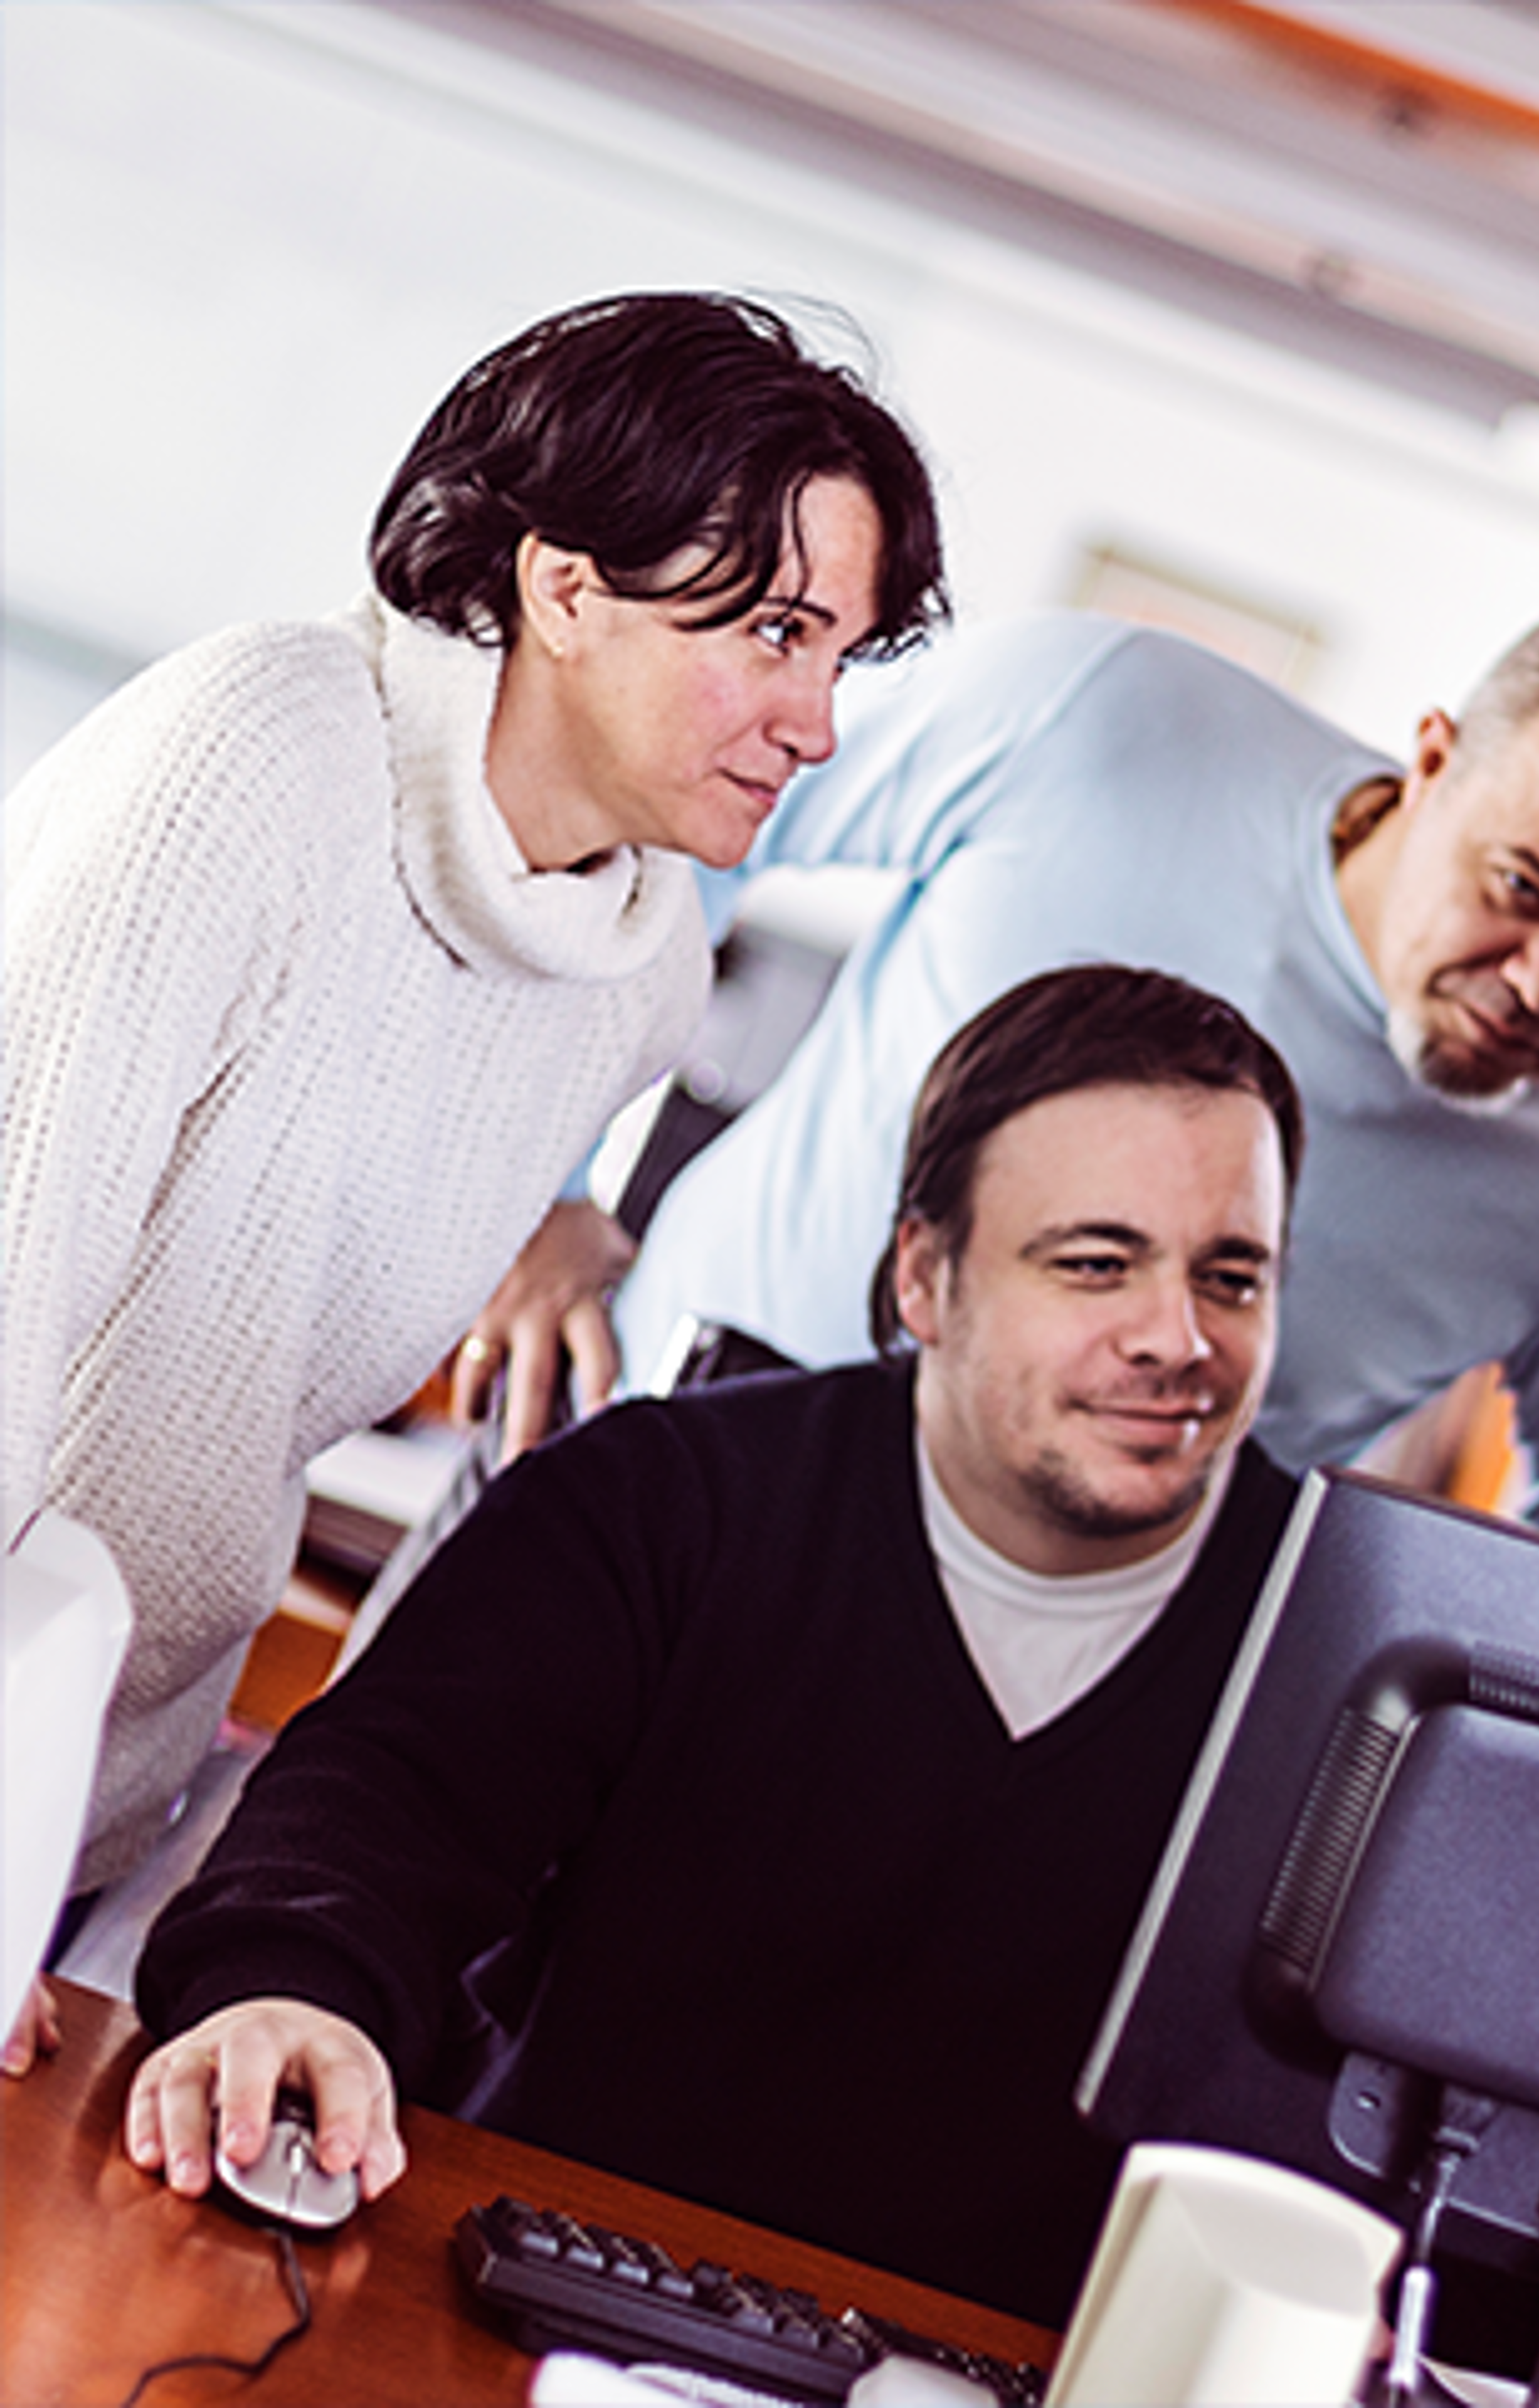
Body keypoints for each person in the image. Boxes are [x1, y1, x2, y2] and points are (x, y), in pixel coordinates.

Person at [1, 290, 948, 1997]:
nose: (816, 725)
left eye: (837, 655)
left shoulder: (640, 974)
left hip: (94, 1802)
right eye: (772, 633)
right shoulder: (260, 750)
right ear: (566, 586)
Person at [124, 964, 1305, 2328]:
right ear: (924, 1274)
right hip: (549, 2319)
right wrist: (294, 1991)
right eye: (1095, 1264)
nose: (1179, 1340)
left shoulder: (1364, 1651)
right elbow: (390, 1795)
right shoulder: (659, 1500)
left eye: (1232, 1278)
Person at [495, 599, 1539, 1568]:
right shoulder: (1098, 715)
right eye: (1522, 891)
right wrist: (535, 1194)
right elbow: (668, 828)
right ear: (1434, 760)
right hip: (632, 1455)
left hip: (1020, 1688)